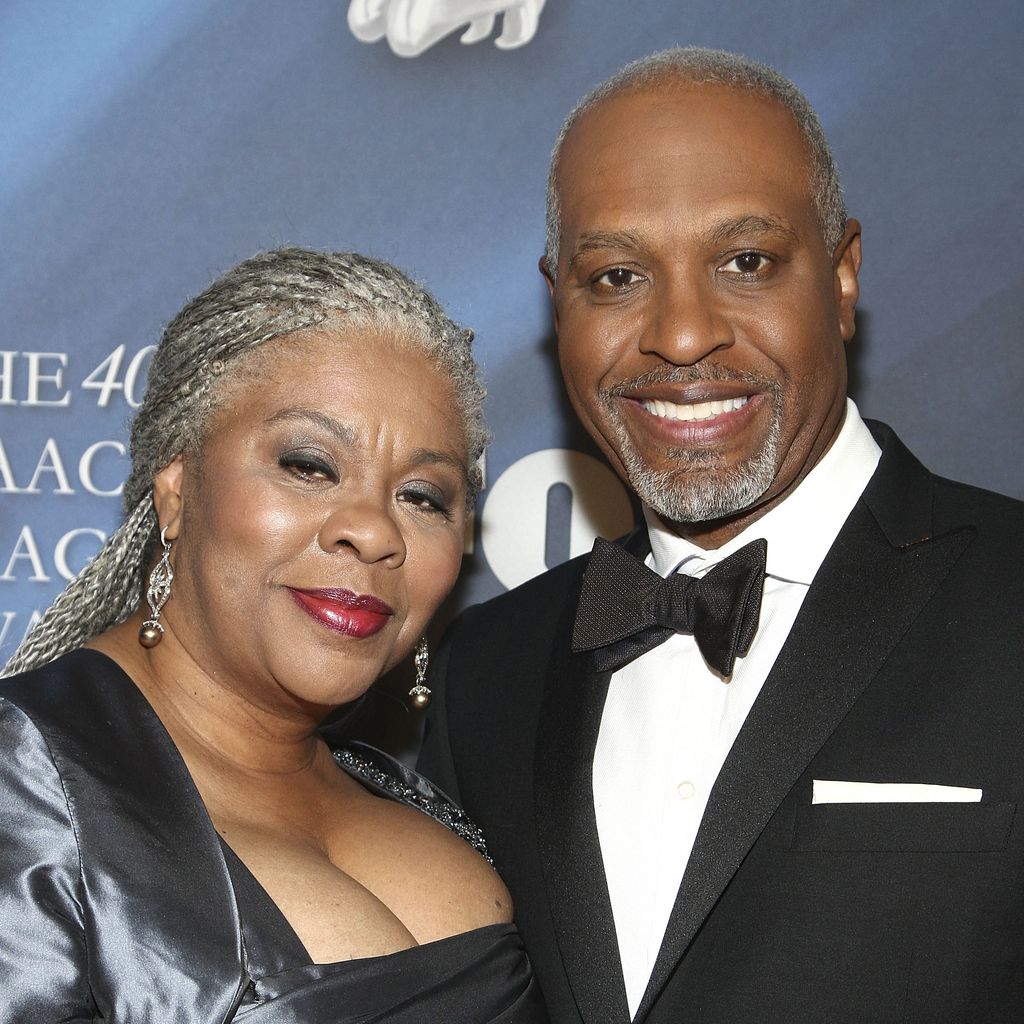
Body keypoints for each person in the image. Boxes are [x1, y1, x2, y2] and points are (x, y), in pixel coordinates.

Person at [419, 47, 1024, 1023]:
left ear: (839, 275)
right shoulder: (482, 674)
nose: (684, 332)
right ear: (555, 302)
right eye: (615, 275)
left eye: (745, 262)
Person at [0, 248, 548, 1022]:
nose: (371, 530)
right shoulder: (22, 785)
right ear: (178, 493)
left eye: (424, 496)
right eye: (308, 464)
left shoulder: (413, 793)